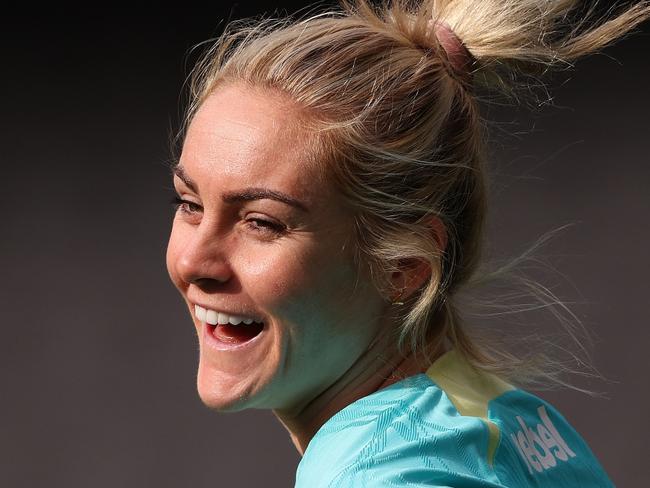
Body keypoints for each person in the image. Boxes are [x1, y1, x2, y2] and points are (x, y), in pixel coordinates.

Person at [165, 0, 649, 486]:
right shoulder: (511, 420)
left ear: (406, 265)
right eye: (189, 204)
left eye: (262, 223)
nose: (193, 261)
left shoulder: (384, 474)